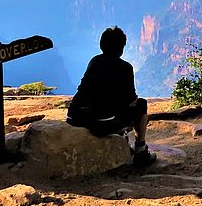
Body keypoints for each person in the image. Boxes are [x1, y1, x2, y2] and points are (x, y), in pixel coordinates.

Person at [66, 26, 156, 167]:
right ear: (122, 48)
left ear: (101, 45)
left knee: (111, 108)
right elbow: (131, 100)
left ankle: (127, 142)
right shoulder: (125, 67)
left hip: (74, 117)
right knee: (141, 105)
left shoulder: (94, 61)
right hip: (100, 123)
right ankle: (141, 150)